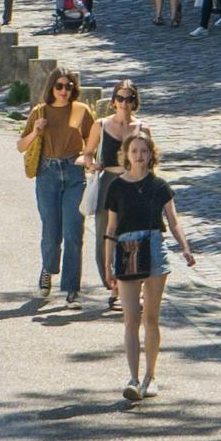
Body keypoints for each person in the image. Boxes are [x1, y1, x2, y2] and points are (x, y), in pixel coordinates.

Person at [103, 127, 195, 398]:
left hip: (155, 246)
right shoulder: (116, 187)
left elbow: (173, 221)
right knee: (131, 319)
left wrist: (185, 249)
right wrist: (108, 263)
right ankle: (132, 379)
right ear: (126, 155)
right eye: (134, 151)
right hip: (127, 249)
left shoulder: (159, 186)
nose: (139, 156)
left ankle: (150, 377)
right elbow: (111, 228)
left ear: (151, 155)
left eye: (144, 151)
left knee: (151, 319)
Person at [21, 73, 94, 302]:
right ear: (51, 87)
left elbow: (93, 141)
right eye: (59, 86)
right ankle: (48, 268)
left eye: (69, 87)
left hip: (74, 172)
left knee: (74, 231)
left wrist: (87, 159)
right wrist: (36, 131)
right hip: (47, 174)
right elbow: (21, 146)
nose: (64, 91)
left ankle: (72, 289)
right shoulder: (40, 112)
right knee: (51, 233)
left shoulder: (81, 111)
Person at [88, 81, 147, 313]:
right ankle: (112, 284)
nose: (124, 103)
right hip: (109, 184)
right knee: (106, 237)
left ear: (135, 102)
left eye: (129, 99)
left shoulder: (143, 128)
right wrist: (92, 164)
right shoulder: (100, 125)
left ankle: (127, 290)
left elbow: (150, 159)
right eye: (120, 99)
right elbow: (88, 152)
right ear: (113, 101)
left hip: (135, 184)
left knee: (134, 239)